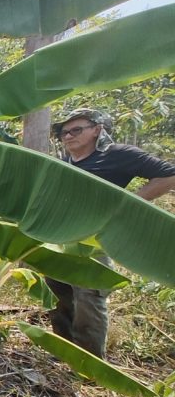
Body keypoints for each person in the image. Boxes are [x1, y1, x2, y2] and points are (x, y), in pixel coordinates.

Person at [46, 108, 175, 357]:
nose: (69, 136)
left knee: (89, 295)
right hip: (61, 234)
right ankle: (63, 350)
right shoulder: (65, 162)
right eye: (64, 133)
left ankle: (89, 362)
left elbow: (168, 175)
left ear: (97, 129)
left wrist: (127, 203)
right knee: (58, 289)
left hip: (94, 237)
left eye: (77, 129)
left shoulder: (117, 155)